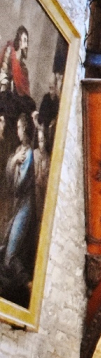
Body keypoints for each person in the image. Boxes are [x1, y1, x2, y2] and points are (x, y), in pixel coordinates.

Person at [0, 112, 38, 307]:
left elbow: (19, 187)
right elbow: (9, 178)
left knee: (10, 256)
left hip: (25, 206)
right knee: (3, 249)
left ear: (25, 129)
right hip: (17, 205)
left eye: (19, 128)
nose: (17, 131)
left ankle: (30, 286)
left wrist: (15, 163)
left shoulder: (29, 153)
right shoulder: (18, 151)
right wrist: (13, 162)